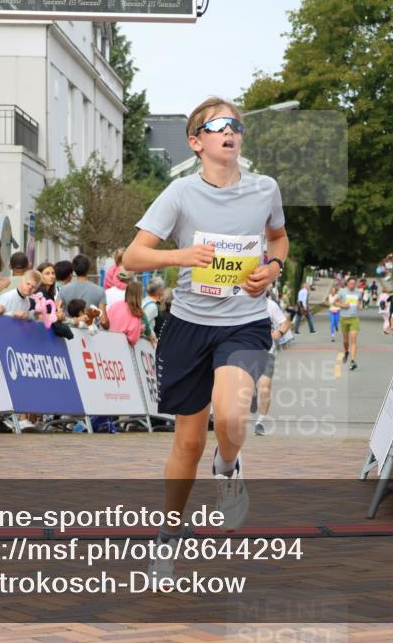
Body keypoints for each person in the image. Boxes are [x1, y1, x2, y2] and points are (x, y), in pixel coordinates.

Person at [122, 96, 288, 582]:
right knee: (189, 442)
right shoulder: (179, 193)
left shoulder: (265, 189)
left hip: (245, 320)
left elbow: (278, 238)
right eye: (218, 126)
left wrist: (273, 268)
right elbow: (132, 257)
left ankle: (229, 469)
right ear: (196, 143)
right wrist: (181, 257)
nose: (229, 131)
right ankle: (168, 538)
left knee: (232, 416)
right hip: (189, 325)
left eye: (235, 125)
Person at [253, 290, 291, 436]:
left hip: (266, 352)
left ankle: (260, 422)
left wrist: (279, 333)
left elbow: (285, 323)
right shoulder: (239, 303)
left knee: (264, 388)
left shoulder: (270, 305)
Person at [57, 254, 105, 324]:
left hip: (70, 328)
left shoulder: (64, 289)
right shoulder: (100, 290)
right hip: (91, 329)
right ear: (89, 268)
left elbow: (56, 313)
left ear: (74, 269)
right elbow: (104, 321)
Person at [103, 280, 149, 346]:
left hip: (106, 342)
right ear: (139, 296)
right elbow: (132, 340)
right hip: (120, 347)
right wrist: (139, 330)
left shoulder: (115, 305)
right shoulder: (136, 314)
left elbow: (106, 322)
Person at [338, 275, 362, 371]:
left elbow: (360, 301)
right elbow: (334, 302)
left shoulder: (359, 292)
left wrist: (360, 305)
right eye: (351, 283)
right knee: (345, 341)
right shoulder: (342, 291)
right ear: (347, 283)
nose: (352, 285)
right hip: (344, 318)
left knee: (353, 340)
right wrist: (342, 305)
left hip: (354, 319)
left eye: (354, 284)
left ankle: (353, 361)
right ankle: (346, 352)